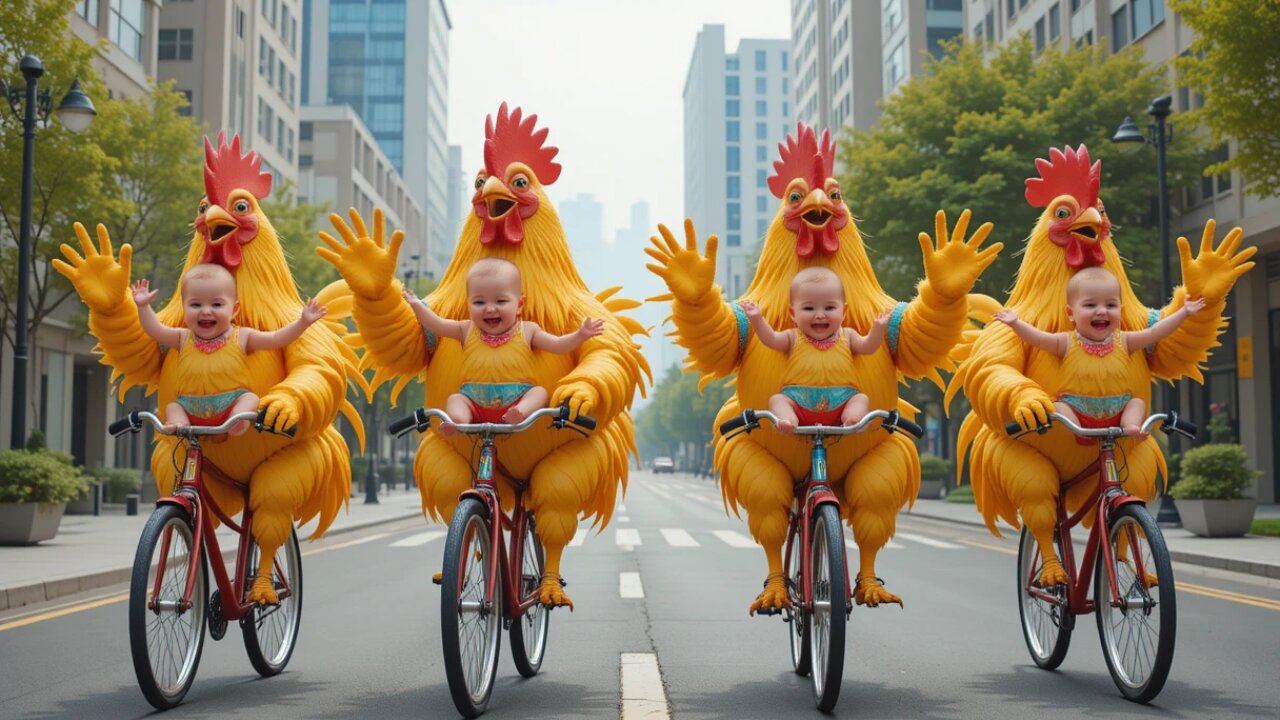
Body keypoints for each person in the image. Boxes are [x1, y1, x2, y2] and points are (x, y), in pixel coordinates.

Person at [993, 266, 1205, 438]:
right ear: (1071, 313)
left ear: (1120, 311)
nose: (1102, 310)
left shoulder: (1125, 340)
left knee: (1138, 402)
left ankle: (1131, 427)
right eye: (1090, 305)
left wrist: (1184, 313)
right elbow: (1037, 338)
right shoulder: (1065, 343)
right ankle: (1077, 435)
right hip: (1075, 412)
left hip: (1118, 408)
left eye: (1111, 305)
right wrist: (1015, 324)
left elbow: (1156, 331)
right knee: (1056, 405)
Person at [402, 257, 604, 435]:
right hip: (473, 401)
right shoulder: (465, 329)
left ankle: (521, 413)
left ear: (519, 304)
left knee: (540, 393)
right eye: (479, 302)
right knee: (455, 399)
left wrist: (581, 335)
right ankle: (457, 422)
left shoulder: (528, 331)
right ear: (468, 304)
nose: (490, 309)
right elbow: (436, 324)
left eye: (500, 301)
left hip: (516, 402)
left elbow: (559, 345)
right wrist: (417, 305)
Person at [132, 263, 328, 435]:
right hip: (189, 405)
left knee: (250, 397)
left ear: (234, 310)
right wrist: (143, 307)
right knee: (172, 406)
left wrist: (303, 322)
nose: (206, 310)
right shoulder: (182, 338)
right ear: (184, 308)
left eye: (216, 304)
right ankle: (178, 424)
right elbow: (155, 329)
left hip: (230, 405)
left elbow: (277, 339)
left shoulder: (242, 336)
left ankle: (239, 419)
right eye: (195, 304)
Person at [741, 266, 891, 433]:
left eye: (829, 308)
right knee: (777, 400)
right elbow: (771, 340)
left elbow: (869, 347)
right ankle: (787, 421)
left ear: (844, 311)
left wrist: (878, 328)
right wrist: (757, 318)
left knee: (860, 398)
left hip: (842, 400)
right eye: (809, 308)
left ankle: (853, 420)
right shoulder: (793, 337)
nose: (820, 315)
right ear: (792, 313)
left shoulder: (848, 336)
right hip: (797, 399)